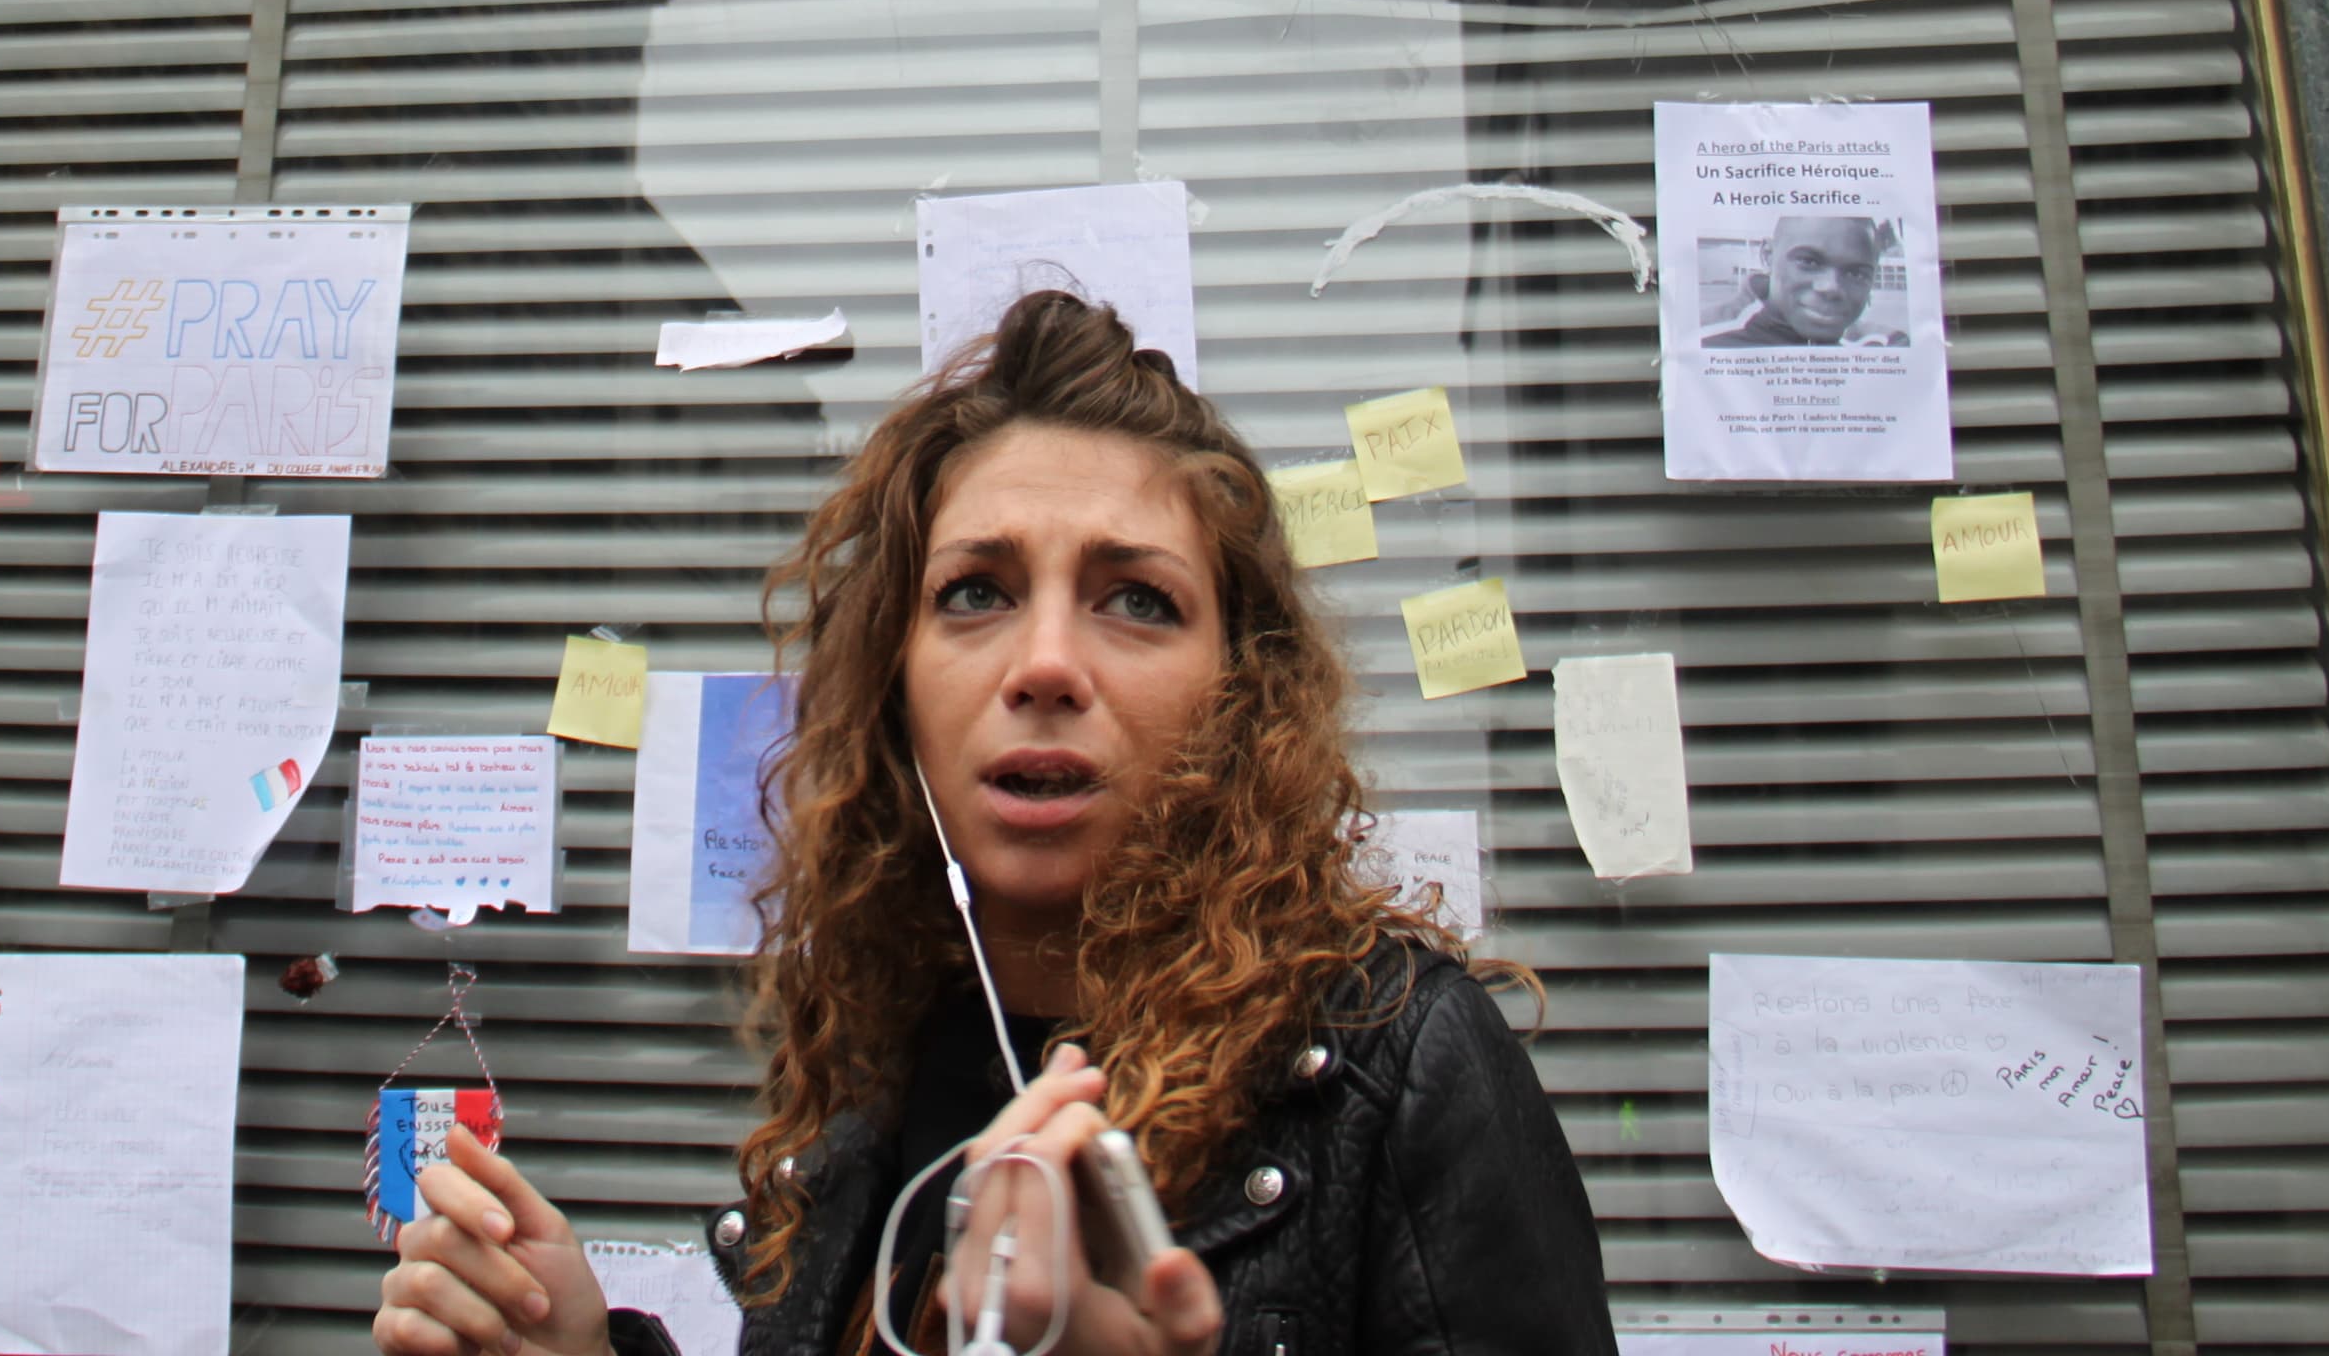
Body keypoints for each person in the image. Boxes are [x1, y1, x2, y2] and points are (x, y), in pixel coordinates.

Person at [373, 290, 1612, 1356]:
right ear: (894, 678)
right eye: (976, 592)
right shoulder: (876, 1050)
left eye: (1137, 598)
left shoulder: (1398, 1071)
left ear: (1242, 690)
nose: (1048, 664)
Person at [1701, 216, 1897, 348]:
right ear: (1768, 256)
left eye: (1856, 274)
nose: (1831, 287)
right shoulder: (1703, 335)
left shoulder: (1881, 345)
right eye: (1809, 262)